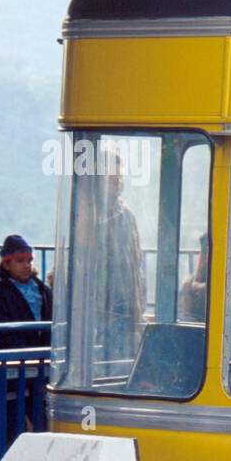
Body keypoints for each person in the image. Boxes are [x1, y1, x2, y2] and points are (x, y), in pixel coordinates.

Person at [0, 235, 52, 450]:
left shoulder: (44, 292)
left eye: (29, 260)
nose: (26, 266)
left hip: (40, 370)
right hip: (12, 372)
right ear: (6, 264)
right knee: (10, 430)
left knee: (44, 428)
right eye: (20, 261)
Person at [97, 153, 146, 361]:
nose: (117, 183)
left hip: (126, 308)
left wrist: (138, 306)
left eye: (120, 177)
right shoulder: (89, 214)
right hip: (101, 312)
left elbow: (135, 263)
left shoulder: (127, 215)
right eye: (111, 177)